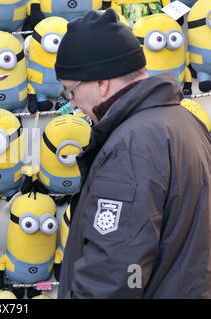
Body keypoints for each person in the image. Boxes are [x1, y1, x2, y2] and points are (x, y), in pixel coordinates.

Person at [54, 8, 211, 298]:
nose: (73, 105)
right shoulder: (185, 123)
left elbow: (116, 275)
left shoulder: (132, 145)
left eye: (70, 91)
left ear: (100, 82)